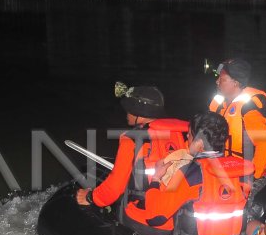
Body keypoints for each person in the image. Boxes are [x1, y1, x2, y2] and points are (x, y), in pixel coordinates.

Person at [145, 111, 253, 235]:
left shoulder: (190, 174)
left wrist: (156, 179)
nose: (187, 138)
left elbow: (154, 217)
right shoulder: (242, 173)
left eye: (189, 135)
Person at [76, 83, 188, 212]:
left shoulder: (132, 139)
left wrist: (90, 197)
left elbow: (114, 188)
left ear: (138, 113)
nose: (126, 113)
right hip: (174, 210)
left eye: (129, 110)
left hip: (145, 214)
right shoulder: (177, 134)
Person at [210, 58, 266, 179]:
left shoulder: (249, 107)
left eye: (222, 79)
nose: (217, 82)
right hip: (223, 169)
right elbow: (203, 132)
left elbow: (265, 144)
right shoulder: (217, 105)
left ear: (236, 83)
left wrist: (253, 176)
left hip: (245, 173)